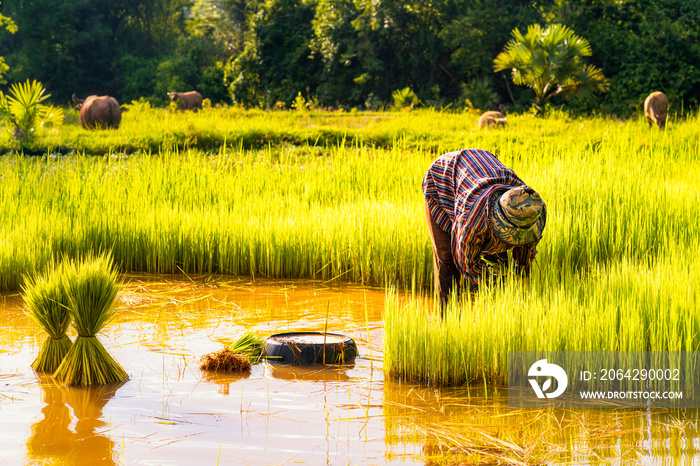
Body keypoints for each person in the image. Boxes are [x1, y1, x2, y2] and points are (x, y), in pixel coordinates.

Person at [422, 148, 546, 306]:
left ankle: (498, 317)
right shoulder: (471, 220)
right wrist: (489, 284)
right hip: (442, 179)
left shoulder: (533, 209)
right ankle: (447, 322)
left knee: (499, 264)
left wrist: (520, 277)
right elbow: (466, 263)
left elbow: (525, 253)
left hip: (481, 168)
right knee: (448, 261)